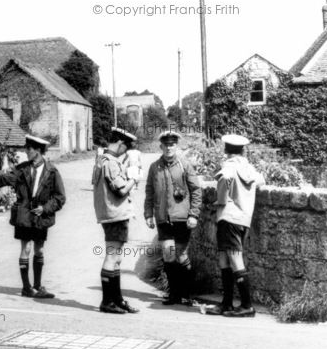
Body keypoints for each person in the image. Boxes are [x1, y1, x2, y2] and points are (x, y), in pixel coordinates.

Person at [0, 134, 66, 299]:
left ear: (38, 150)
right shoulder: (21, 169)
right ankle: (26, 288)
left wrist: (45, 208)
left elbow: (60, 197)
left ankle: (38, 286)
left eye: (29, 149)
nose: (26, 151)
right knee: (25, 249)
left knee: (39, 250)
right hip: (24, 215)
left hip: (41, 217)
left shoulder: (52, 171)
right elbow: (0, 180)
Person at [207, 134, 265, 317]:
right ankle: (226, 304)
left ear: (226, 149)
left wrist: (221, 200)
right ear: (243, 150)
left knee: (233, 259)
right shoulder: (248, 167)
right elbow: (261, 181)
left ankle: (247, 305)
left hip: (229, 218)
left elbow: (223, 178)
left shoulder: (229, 166)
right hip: (243, 219)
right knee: (224, 258)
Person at [144, 130, 202, 306]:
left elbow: (196, 190)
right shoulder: (154, 167)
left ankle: (187, 293)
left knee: (181, 254)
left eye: (172, 144)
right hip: (163, 219)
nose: (169, 148)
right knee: (169, 255)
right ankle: (174, 294)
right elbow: (149, 191)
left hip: (182, 218)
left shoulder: (185, 165)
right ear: (161, 146)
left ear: (176, 146)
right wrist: (148, 214)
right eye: (166, 145)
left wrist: (194, 214)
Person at [93, 127, 139, 314]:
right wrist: (133, 179)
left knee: (117, 258)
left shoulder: (100, 160)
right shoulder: (111, 162)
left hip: (110, 213)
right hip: (115, 214)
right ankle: (107, 301)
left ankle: (116, 299)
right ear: (120, 143)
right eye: (125, 148)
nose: (125, 152)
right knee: (112, 257)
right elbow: (120, 190)